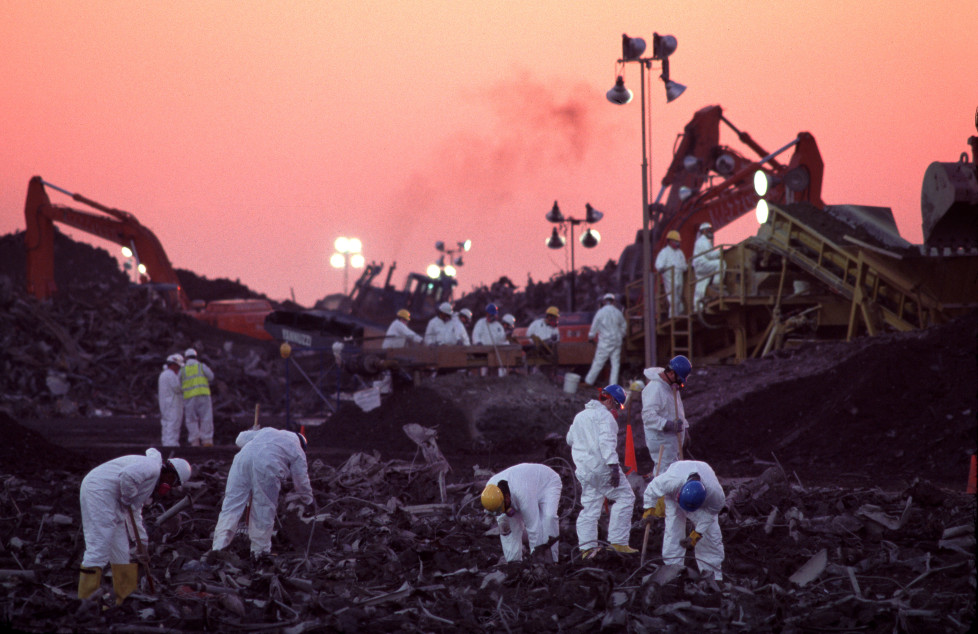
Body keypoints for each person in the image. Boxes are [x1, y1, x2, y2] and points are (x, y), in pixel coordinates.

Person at [78, 450, 191, 601]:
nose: (169, 487)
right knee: (99, 546)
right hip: (99, 492)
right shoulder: (151, 466)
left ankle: (124, 596)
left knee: (121, 551)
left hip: (113, 499)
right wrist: (128, 497)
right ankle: (85, 597)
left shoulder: (149, 483)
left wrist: (141, 544)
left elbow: (135, 512)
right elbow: (127, 476)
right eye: (173, 483)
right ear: (171, 473)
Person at [211, 427, 314, 559]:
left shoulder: (267, 431)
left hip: (242, 461)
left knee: (231, 506)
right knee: (263, 509)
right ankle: (259, 553)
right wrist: (308, 500)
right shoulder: (297, 449)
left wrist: (253, 431)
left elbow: (239, 439)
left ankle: (218, 549)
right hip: (268, 465)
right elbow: (301, 480)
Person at [565, 384, 637, 558]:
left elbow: (569, 440)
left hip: (584, 470)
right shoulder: (605, 417)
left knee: (590, 505)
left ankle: (587, 549)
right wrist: (613, 466)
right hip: (602, 467)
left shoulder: (580, 416)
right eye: (618, 405)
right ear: (611, 400)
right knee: (625, 497)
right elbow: (606, 442)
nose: (617, 410)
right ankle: (618, 542)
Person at [642, 460, 725, 581]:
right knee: (673, 528)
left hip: (702, 501)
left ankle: (713, 576)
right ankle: (672, 570)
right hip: (674, 495)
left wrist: (697, 533)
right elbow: (651, 490)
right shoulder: (670, 482)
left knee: (711, 534)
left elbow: (710, 514)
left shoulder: (716, 496)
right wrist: (649, 509)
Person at [480, 463, 562, 563]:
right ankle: (514, 564)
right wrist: (502, 520)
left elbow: (534, 529)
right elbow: (498, 514)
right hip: (520, 489)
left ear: (506, 498)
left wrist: (537, 562)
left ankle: (551, 561)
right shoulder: (489, 493)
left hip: (547, 482)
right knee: (506, 527)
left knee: (548, 518)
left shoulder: (523, 495)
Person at [642, 355, 692, 475]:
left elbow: (676, 409)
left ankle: (664, 493)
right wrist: (667, 425)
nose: (680, 384)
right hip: (662, 443)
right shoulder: (655, 389)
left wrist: (685, 429)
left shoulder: (670, 386)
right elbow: (648, 416)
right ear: (671, 374)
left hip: (672, 442)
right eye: (680, 379)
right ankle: (659, 494)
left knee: (672, 472)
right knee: (665, 474)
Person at [583, 293, 627, 387]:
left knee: (598, 362)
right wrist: (621, 335)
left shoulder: (600, 312)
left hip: (605, 342)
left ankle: (588, 382)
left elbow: (594, 326)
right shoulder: (618, 312)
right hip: (616, 341)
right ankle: (613, 385)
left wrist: (591, 337)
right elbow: (624, 326)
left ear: (604, 301)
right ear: (613, 301)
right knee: (615, 364)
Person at [180, 348, 215, 447]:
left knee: (191, 420)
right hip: (203, 395)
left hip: (189, 397)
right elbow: (211, 376)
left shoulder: (182, 370)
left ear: (186, 358)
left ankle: (194, 441)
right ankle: (207, 440)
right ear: (195, 356)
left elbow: (179, 383)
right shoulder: (201, 366)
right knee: (206, 417)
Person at [655, 230, 688, 318]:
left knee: (679, 297)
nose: (677, 243)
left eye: (678, 241)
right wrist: (665, 269)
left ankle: (678, 314)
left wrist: (685, 267)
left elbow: (684, 265)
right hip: (670, 277)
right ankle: (673, 317)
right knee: (673, 299)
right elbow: (659, 265)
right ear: (669, 241)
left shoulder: (679, 252)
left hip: (679, 276)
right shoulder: (664, 252)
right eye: (676, 241)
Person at [692, 222, 722, 312]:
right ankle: (717, 285)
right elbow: (710, 255)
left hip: (700, 267)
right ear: (704, 231)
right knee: (720, 264)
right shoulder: (703, 241)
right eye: (709, 230)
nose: (711, 233)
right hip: (703, 264)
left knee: (701, 286)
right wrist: (720, 251)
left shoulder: (700, 241)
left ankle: (697, 307)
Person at [472, 303, 508, 376]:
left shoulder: (498, 326)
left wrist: (506, 337)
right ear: (487, 314)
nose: (493, 316)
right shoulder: (481, 323)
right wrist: (478, 342)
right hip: (484, 352)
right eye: (491, 314)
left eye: (494, 314)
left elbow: (502, 339)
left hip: (496, 352)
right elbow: (475, 334)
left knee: (499, 369)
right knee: (484, 370)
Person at [158, 353, 184, 447]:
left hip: (165, 403)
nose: (178, 369)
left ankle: (166, 443)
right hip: (173, 403)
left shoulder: (163, 374)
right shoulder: (171, 374)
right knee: (174, 423)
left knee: (166, 423)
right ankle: (171, 444)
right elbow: (177, 388)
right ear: (173, 365)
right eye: (177, 366)